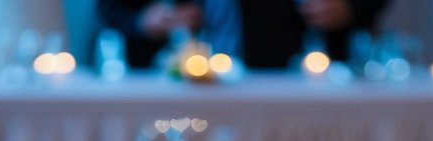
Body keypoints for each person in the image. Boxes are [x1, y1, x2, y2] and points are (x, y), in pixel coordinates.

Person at [96, 0, 389, 69]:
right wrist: (141, 20)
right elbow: (109, 7)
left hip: (295, 75)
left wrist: (350, 9)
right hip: (179, 78)